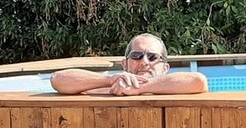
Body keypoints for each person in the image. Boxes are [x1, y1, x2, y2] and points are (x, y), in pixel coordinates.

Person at [50, 33, 208, 95]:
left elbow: (199, 81)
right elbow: (57, 79)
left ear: (165, 68)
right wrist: (110, 80)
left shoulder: (174, 87)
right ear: (125, 64)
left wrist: (139, 88)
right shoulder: (110, 86)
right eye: (137, 56)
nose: (144, 62)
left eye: (152, 57)